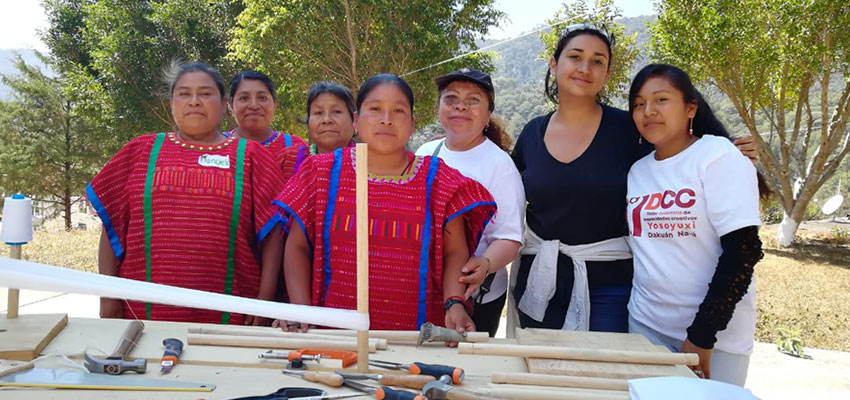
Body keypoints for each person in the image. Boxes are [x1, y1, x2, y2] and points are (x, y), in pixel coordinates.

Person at [509, 24, 758, 334]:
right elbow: (504, 190)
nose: (585, 67)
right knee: (542, 377)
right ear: (553, 63)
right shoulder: (532, 133)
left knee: (605, 377)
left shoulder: (630, 129)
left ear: (607, 75)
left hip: (611, 287)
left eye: (598, 61)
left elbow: (678, 153)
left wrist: (728, 149)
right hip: (539, 282)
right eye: (575, 56)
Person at [275, 74, 496, 332]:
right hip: (334, 334)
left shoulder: (439, 181)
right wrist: (300, 308)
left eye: (398, 111)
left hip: (415, 338)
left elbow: (454, 252)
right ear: (357, 120)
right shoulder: (320, 173)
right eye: (375, 108)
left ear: (413, 123)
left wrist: (454, 303)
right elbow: (297, 247)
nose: (386, 119)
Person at [87, 62, 285, 325]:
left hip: (231, 314)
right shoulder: (139, 151)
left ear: (223, 103)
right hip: (142, 314)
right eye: (184, 94)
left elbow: (274, 236)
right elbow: (111, 229)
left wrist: (265, 300)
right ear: (171, 102)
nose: (194, 102)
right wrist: (108, 297)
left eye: (205, 93)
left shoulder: (250, 156)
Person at [626, 63, 765, 386]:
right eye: (638, 104)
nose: (649, 111)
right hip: (647, 327)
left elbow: (742, 253)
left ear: (691, 108)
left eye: (661, 100)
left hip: (716, 338)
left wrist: (702, 336)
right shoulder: (638, 172)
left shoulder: (718, 156)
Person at [415, 67, 524, 337]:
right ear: (438, 109)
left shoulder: (500, 165)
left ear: (488, 115)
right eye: (450, 98)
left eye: (473, 100)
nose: (460, 106)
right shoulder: (426, 154)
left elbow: (509, 237)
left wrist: (485, 263)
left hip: (477, 297)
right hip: (427, 291)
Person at [228, 70, 306, 171]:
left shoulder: (295, 147)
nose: (254, 106)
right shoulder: (217, 147)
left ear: (275, 104)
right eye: (244, 98)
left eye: (262, 97)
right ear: (230, 105)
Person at [278, 82, 357, 182]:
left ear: (355, 121)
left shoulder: (370, 164)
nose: (327, 120)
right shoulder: (288, 160)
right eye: (318, 113)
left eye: (337, 111)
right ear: (308, 123)